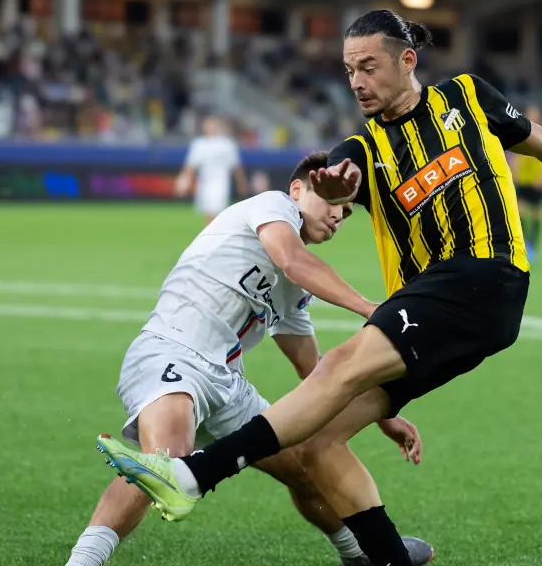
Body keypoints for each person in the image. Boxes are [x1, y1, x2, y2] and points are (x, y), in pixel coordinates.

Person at [95, 9, 542, 566]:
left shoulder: (468, 98)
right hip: (431, 309)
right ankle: (386, 560)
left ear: (406, 60)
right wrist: (335, 189)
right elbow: (332, 182)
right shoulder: (359, 149)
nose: (357, 81)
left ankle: (194, 476)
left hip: (485, 275)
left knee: (337, 364)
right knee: (321, 443)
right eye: (348, 70)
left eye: (369, 66)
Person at [79, 152, 434, 566]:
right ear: (297, 189)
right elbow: (293, 260)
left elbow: (315, 370)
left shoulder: (295, 289)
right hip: (172, 352)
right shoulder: (272, 206)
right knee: (164, 465)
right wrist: (370, 308)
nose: (339, 215)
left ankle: (358, 555)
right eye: (332, 202)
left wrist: (383, 416)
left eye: (347, 211)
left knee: (304, 463)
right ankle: (82, 562)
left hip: (227, 384)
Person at [174, 115, 249, 225]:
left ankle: (215, 236)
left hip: (221, 183)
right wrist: (183, 181)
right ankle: (211, 236)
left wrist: (242, 184)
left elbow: (236, 167)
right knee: (208, 212)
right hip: (204, 183)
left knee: (217, 211)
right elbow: (190, 166)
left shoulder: (227, 144)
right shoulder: (199, 144)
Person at [509, 103, 542, 262]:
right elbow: (514, 155)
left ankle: (533, 245)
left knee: (536, 214)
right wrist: (513, 173)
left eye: (535, 114)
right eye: (530, 113)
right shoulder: (519, 131)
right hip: (522, 180)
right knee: (519, 213)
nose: (532, 116)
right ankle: (524, 244)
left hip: (536, 181)